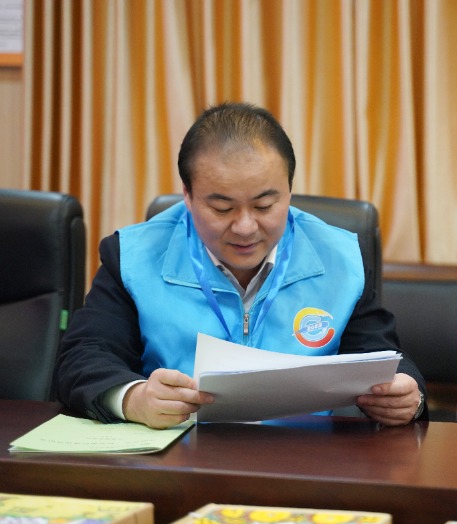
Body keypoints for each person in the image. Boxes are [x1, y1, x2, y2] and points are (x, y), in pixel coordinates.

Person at [56, 102, 427, 429]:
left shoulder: (340, 258)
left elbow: (382, 357)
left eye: (264, 206)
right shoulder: (134, 257)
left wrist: (407, 394)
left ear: (289, 191)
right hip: (178, 454)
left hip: (303, 458)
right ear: (187, 195)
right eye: (222, 208)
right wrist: (135, 398)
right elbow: (84, 356)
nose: (245, 227)